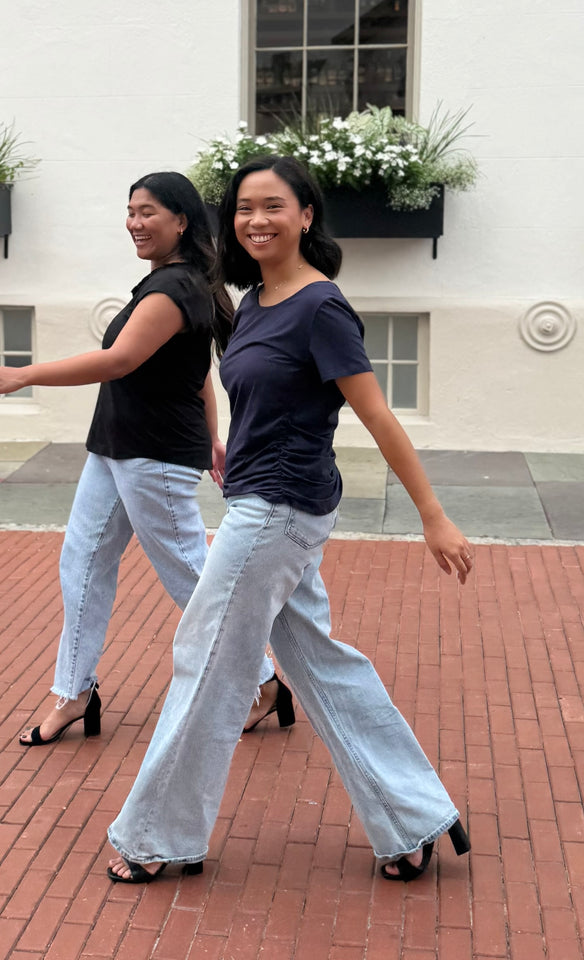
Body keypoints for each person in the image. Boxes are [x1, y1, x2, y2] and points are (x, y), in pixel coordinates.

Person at [106, 155, 473, 885]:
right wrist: (225, 446)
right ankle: (414, 818)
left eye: (273, 206)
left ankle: (158, 836)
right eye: (243, 209)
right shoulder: (257, 303)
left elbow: (376, 416)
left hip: (276, 511)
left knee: (207, 659)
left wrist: (433, 516)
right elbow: (255, 395)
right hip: (269, 499)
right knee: (321, 662)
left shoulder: (319, 306)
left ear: (307, 215)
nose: (256, 221)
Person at [0, 171, 282, 746]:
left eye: (148, 212)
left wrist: (25, 375)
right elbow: (198, 374)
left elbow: (119, 361)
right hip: (116, 447)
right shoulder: (169, 283)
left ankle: (263, 682)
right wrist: (213, 438)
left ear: (181, 221)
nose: (134, 222)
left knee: (191, 577)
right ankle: (73, 690)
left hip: (154, 456)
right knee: (81, 564)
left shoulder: (175, 289)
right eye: (130, 211)